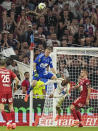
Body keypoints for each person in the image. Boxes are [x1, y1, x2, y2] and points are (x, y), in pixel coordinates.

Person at [0, 58, 19, 129]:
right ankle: (14, 123)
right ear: (5, 65)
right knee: (11, 107)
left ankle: (8, 123)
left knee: (2, 108)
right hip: (9, 90)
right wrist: (15, 87)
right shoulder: (9, 71)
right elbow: (17, 80)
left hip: (2, 91)